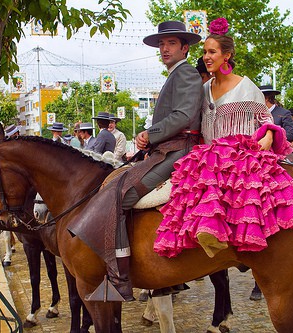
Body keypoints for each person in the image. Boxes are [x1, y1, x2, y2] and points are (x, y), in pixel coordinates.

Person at [155, 18, 293, 259]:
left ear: (227, 56)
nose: (206, 57)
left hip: (239, 154)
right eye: (204, 52)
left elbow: (266, 120)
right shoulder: (203, 89)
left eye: (212, 52)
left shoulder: (246, 87)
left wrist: (266, 137)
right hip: (209, 154)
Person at [84, 20, 204, 302]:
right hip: (166, 150)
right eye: (162, 44)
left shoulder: (185, 73)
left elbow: (185, 115)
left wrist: (150, 134)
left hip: (178, 152)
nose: (164, 48)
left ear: (185, 48)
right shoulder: (174, 74)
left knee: (122, 196)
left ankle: (121, 278)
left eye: (171, 43)